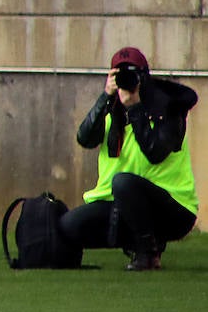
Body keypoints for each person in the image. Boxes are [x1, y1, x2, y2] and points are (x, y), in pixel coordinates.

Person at [59, 47, 198, 271]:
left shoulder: (169, 109)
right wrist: (106, 96)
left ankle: (148, 254)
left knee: (123, 182)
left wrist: (134, 108)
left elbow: (155, 152)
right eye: (119, 76)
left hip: (173, 208)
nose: (127, 82)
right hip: (120, 204)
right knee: (69, 226)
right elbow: (84, 139)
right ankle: (136, 240)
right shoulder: (111, 108)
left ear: (144, 77)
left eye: (132, 75)